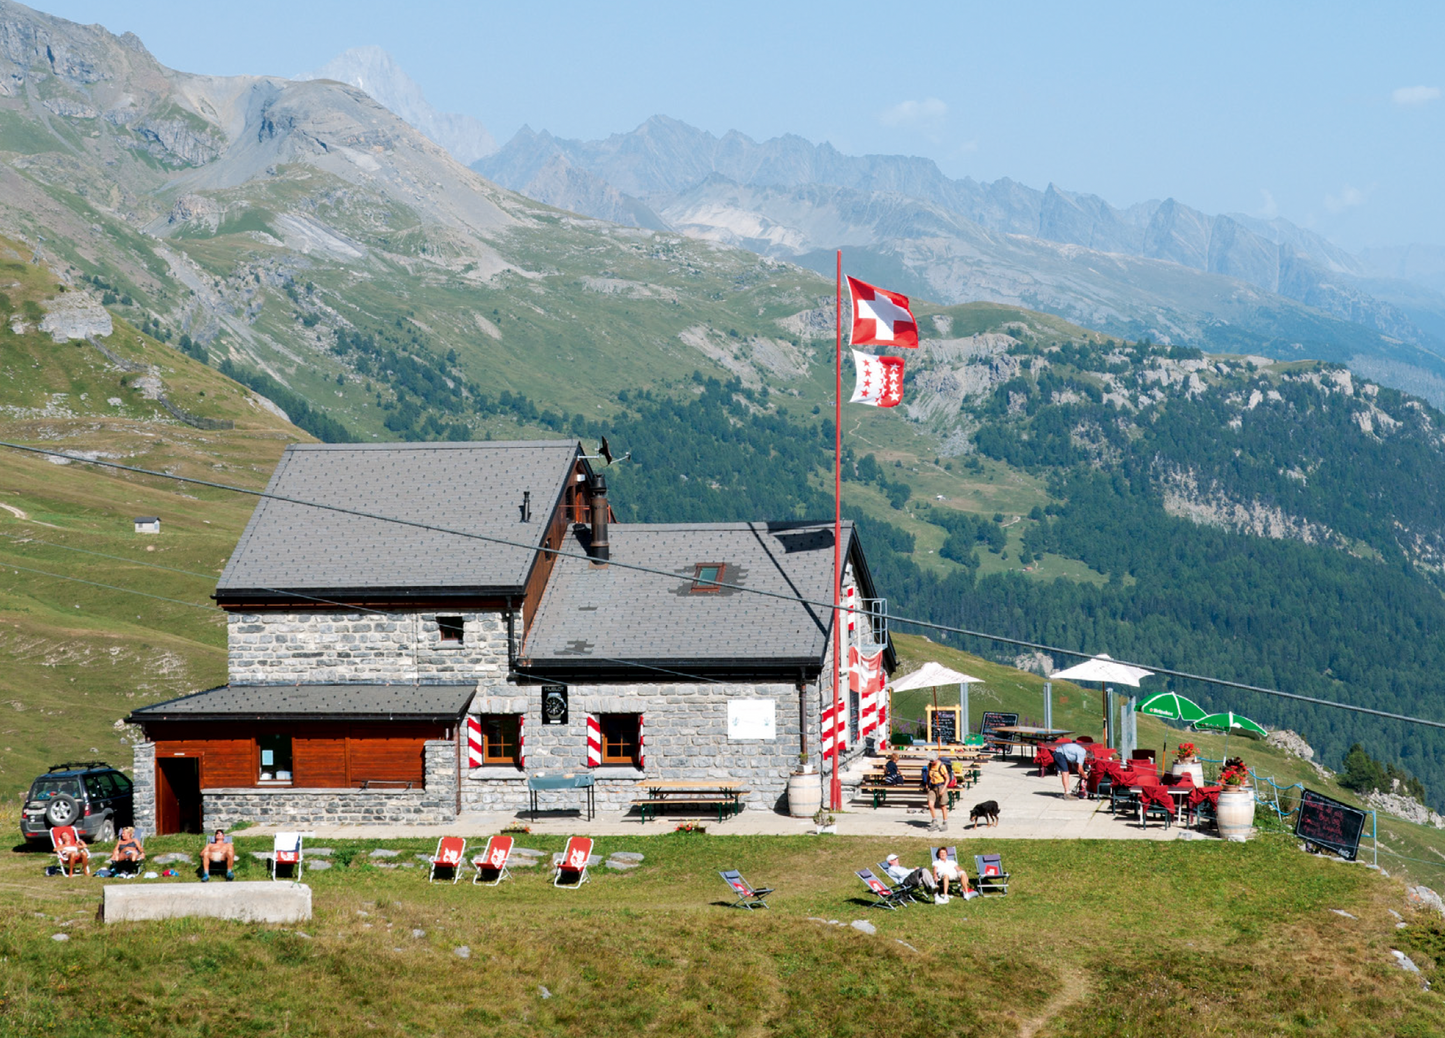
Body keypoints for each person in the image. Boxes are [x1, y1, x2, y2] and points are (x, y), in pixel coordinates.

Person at [925, 755, 951, 832]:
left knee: (942, 805)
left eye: (932, 761)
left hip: (941, 786)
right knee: (930, 804)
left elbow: (947, 778)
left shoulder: (941, 766)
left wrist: (943, 789)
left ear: (936, 759)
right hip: (932, 786)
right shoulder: (930, 765)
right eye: (930, 761)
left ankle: (945, 822)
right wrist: (927, 783)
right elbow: (928, 775)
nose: (931, 762)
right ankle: (934, 821)